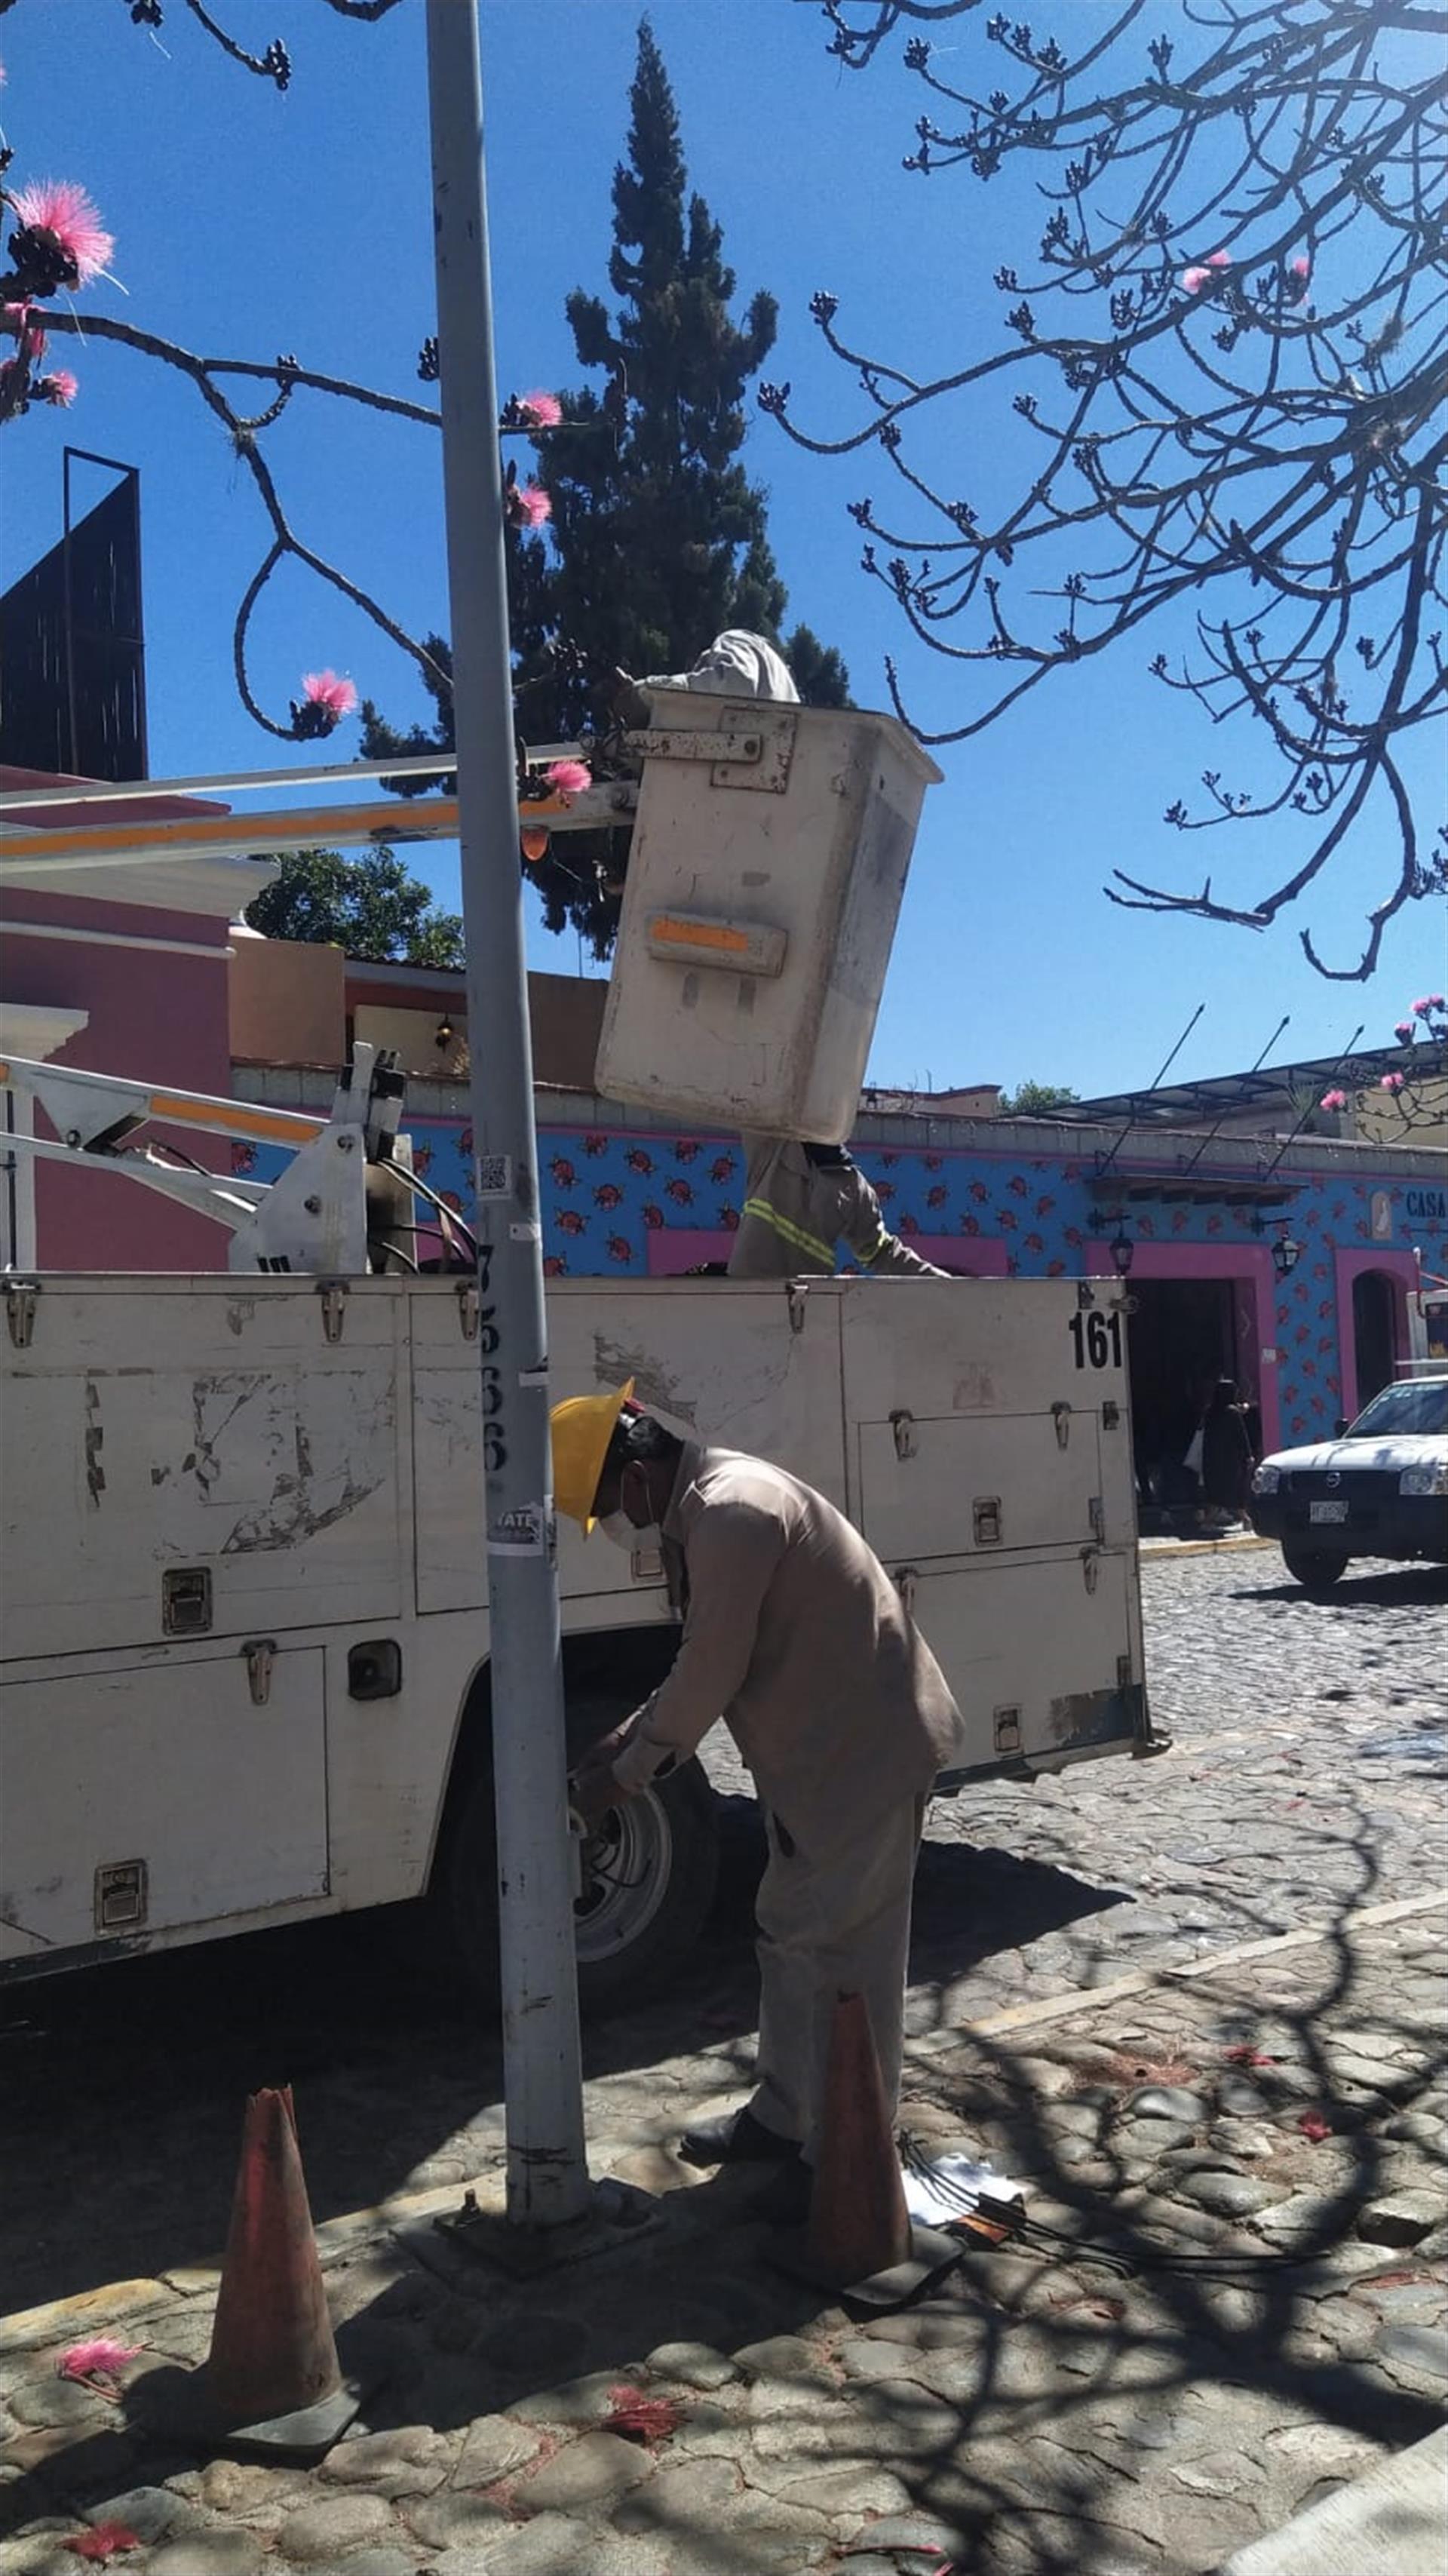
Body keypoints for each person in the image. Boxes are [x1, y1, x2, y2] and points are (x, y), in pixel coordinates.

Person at [551, 1382, 966, 2220]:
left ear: (632, 1477)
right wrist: (628, 1737)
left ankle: (848, 2156)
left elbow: (710, 1670)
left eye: (605, 1507)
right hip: (817, 1764)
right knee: (789, 1935)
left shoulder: (733, 1512)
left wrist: (622, 1773)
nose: (616, 1528)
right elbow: (705, 1657)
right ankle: (785, 2118)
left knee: (854, 1959)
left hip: (866, 1757)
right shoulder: (709, 1508)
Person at [729, 1135, 947, 1279]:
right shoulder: (772, 1145)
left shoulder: (853, 1185)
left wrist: (948, 1283)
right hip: (749, 1295)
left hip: (805, 1307)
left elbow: (882, 1253)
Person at [1199, 1377, 1255, 1525]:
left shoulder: (1210, 1412)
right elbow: (1241, 1435)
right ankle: (1243, 1519)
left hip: (1212, 1458)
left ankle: (1211, 1520)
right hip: (1230, 1459)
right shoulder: (1232, 1413)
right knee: (1236, 1489)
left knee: (1216, 1491)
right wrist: (1249, 1455)